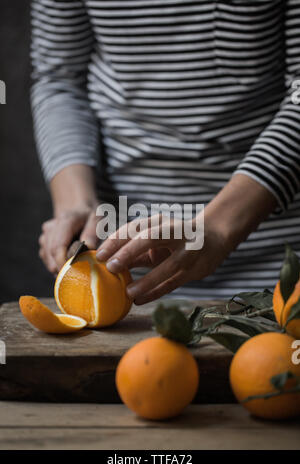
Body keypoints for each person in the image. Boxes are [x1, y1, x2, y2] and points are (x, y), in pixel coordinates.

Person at [32, 0, 300, 304]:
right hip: (124, 268)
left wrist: (217, 227)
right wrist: (75, 204)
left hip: (278, 268)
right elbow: (60, 79)